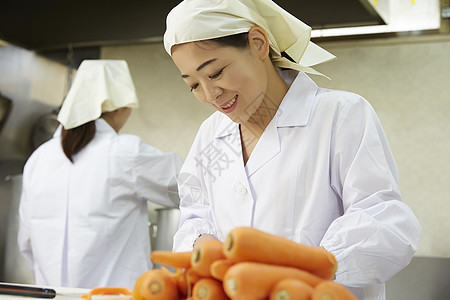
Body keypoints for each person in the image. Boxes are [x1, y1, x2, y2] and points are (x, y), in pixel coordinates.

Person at [163, 1, 421, 299]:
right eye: (193, 85)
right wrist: (202, 244)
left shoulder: (340, 115)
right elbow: (195, 213)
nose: (210, 95)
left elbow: (384, 221)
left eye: (216, 72)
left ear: (258, 43)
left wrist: (304, 267)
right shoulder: (211, 134)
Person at [17, 60, 183, 289]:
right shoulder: (125, 152)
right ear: (121, 107)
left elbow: (25, 242)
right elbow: (191, 187)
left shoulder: (38, 159)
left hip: (51, 295)